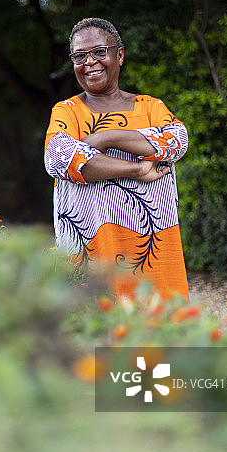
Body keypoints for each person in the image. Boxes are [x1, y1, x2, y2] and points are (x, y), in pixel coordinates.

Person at [44, 17, 189, 301]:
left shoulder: (150, 106)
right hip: (91, 253)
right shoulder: (66, 111)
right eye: (79, 56)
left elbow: (176, 141)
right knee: (99, 335)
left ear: (119, 54)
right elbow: (59, 158)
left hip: (153, 250)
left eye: (99, 51)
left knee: (159, 335)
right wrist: (136, 169)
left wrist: (104, 138)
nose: (89, 62)